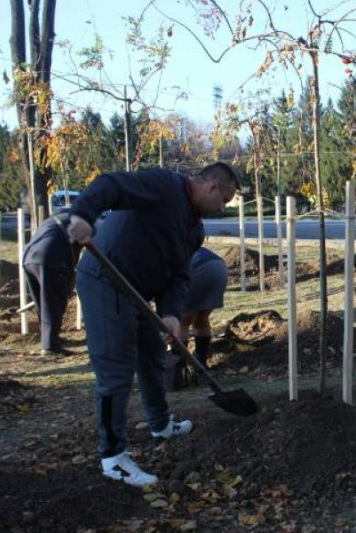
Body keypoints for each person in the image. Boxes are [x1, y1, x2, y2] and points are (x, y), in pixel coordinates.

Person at [67, 162, 239, 487]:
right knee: (115, 370)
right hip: (106, 279)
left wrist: (172, 313)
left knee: (151, 356)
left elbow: (179, 276)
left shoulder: (193, 228)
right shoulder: (163, 186)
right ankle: (113, 457)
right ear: (213, 186)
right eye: (225, 200)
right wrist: (82, 215)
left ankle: (161, 424)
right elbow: (109, 183)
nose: (223, 207)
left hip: (138, 293)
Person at [168, 246, 229, 389]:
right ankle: (200, 365)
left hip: (199, 269)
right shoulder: (179, 242)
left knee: (182, 321)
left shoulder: (161, 251)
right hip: (219, 268)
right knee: (201, 318)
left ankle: (178, 370)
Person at [22, 209, 81, 356]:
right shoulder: (83, 220)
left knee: (42, 304)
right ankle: (50, 347)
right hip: (50, 258)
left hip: (28, 257)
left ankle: (50, 340)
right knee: (53, 304)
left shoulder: (58, 217)